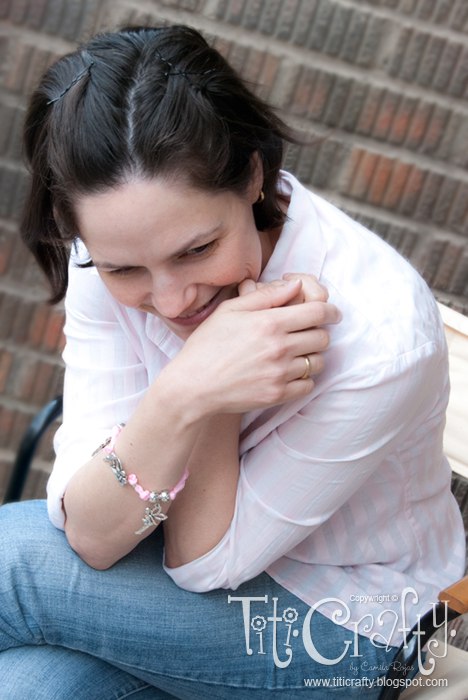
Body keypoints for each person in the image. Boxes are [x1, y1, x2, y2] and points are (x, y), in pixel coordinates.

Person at [0, 24, 465, 699]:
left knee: (11, 563)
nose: (170, 297)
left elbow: (201, 563)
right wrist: (187, 388)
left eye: (196, 249)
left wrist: (204, 397)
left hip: (344, 631)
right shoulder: (103, 262)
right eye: (126, 267)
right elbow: (93, 533)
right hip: (155, 584)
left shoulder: (381, 333)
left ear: (252, 175)